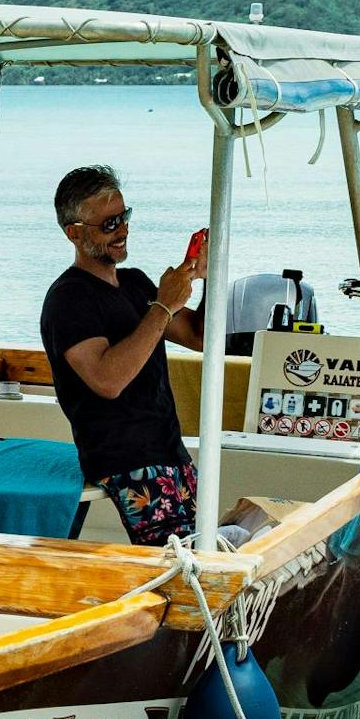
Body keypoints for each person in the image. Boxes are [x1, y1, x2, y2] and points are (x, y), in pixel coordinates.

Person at [39, 165, 207, 546]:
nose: (123, 229)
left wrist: (205, 276)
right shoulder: (68, 299)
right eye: (109, 223)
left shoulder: (135, 283)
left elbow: (199, 336)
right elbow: (107, 380)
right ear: (75, 233)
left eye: (124, 216)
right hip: (125, 460)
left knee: (204, 552)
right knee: (179, 565)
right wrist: (163, 307)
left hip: (169, 449)